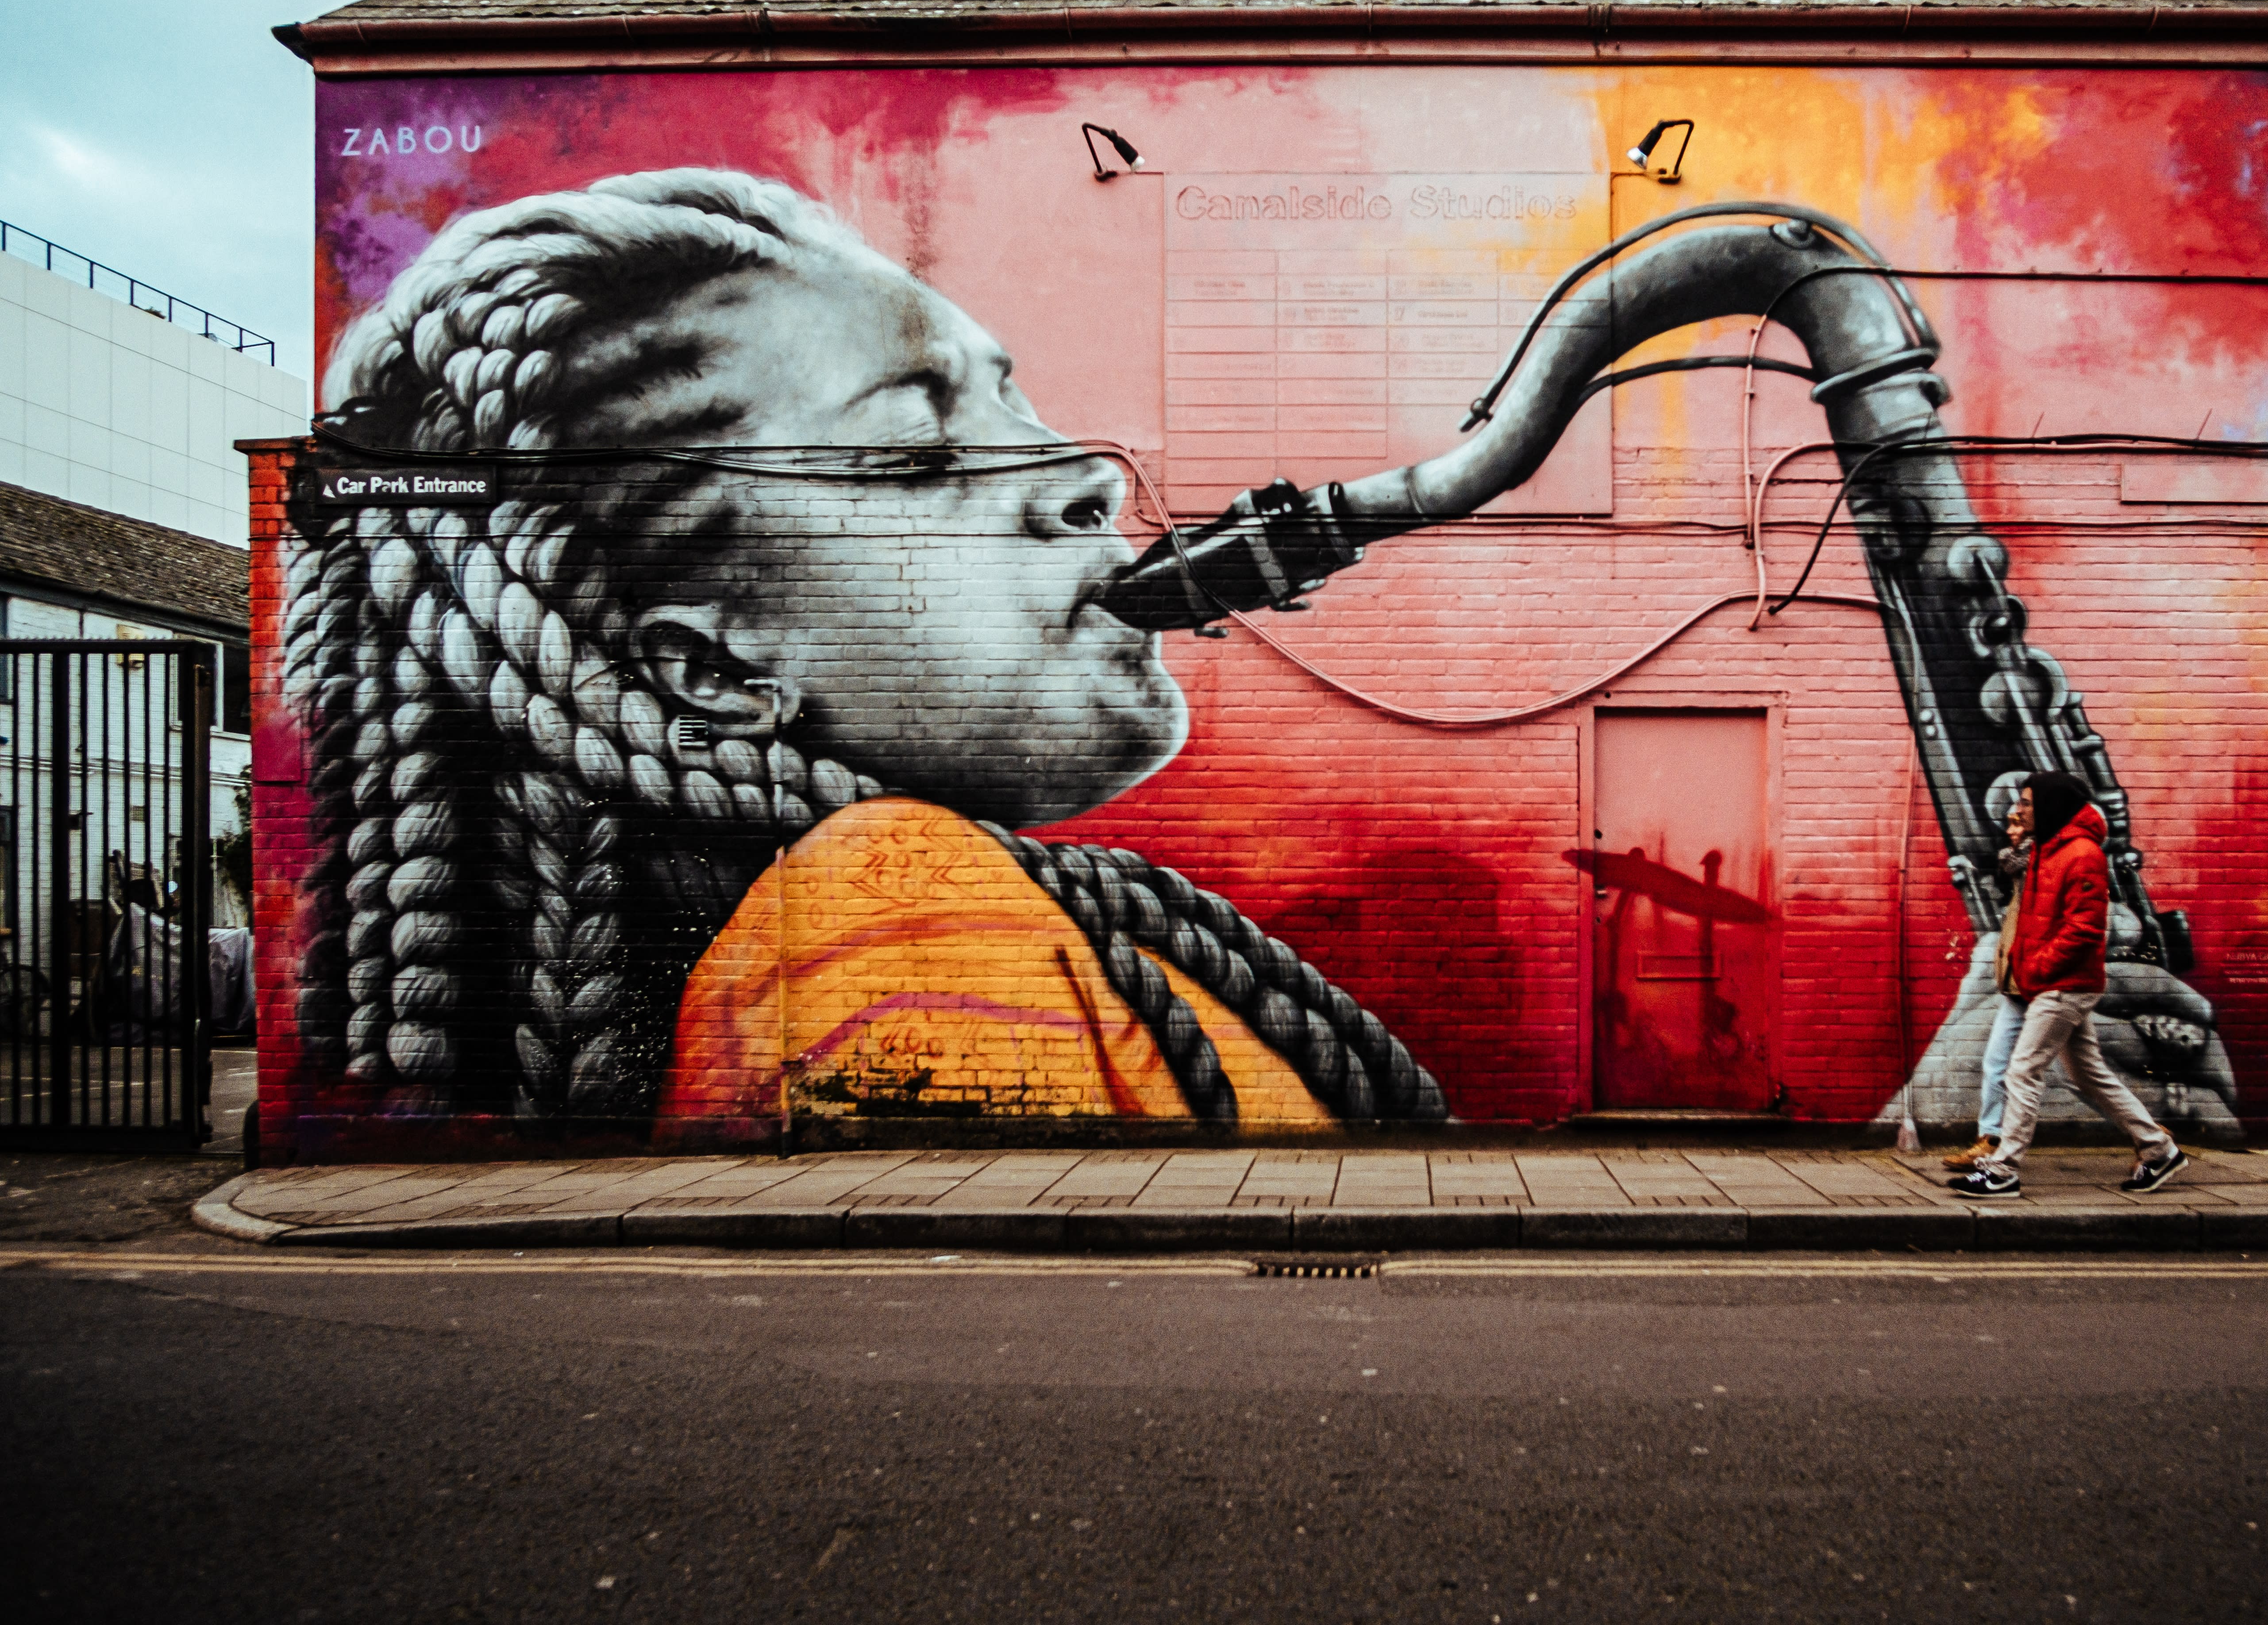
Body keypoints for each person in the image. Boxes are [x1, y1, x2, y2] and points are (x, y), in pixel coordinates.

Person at [283, 168, 1443, 1131]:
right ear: (717, 674)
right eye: (916, 452)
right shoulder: (891, 917)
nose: (1089, 477)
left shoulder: (994, 905)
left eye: (1015, 404)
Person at [1947, 772, 2188, 1199]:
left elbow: (2085, 928)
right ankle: (2159, 1148)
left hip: (2064, 986)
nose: (2018, 810)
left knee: (2023, 1069)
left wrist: (2037, 967)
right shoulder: (2047, 849)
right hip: (2052, 983)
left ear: (2051, 806)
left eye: (2026, 803)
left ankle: (2003, 1169)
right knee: (2091, 1076)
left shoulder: (2082, 854)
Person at [1941, 785, 2036, 1172]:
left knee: (2083, 1074)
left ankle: (2149, 1134)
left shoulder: (2052, 861)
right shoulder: (2024, 861)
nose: (2015, 815)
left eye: (2025, 807)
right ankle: (1992, 1138)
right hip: (2020, 980)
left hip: (2047, 982)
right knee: (1998, 1061)